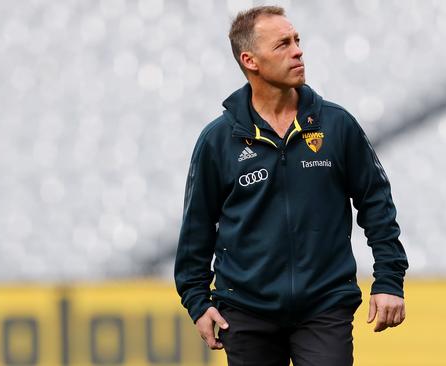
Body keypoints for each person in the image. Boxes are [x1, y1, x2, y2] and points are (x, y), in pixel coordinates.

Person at [174, 5, 408, 366]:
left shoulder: (337, 125)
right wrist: (197, 301)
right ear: (250, 60)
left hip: (324, 306)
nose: (298, 50)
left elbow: (376, 202)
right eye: (283, 44)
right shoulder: (217, 141)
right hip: (246, 311)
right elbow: (196, 230)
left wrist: (389, 280)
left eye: (297, 40)